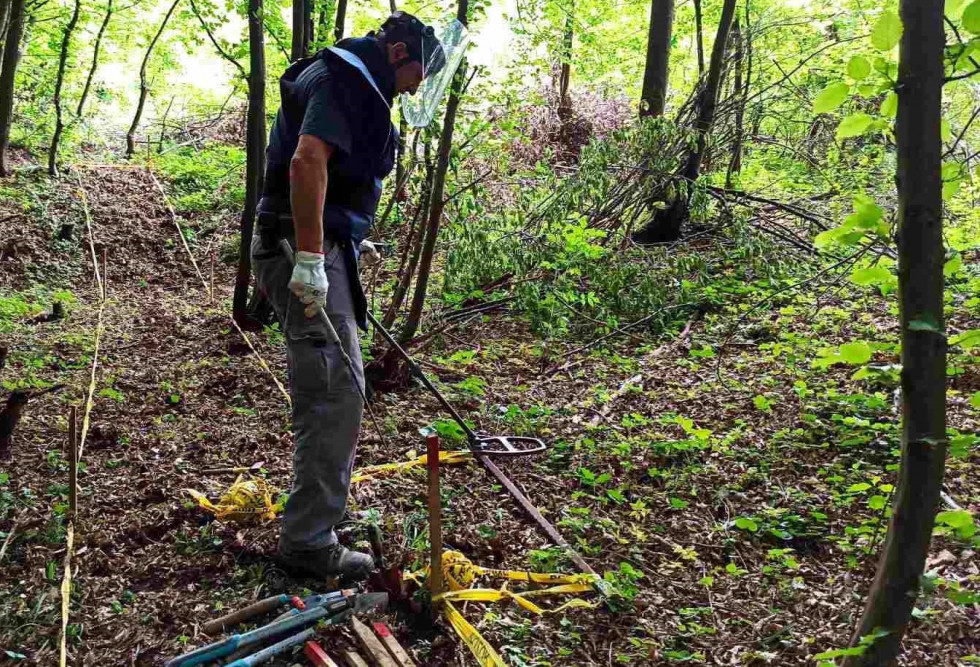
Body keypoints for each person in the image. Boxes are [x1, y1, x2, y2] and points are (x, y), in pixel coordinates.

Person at [251, 12, 444, 580]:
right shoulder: (345, 79)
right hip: (302, 247)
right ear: (399, 52)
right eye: (419, 74)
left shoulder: (357, 79)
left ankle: (315, 522)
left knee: (336, 386)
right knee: (335, 391)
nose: (419, 86)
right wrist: (310, 260)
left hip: (317, 247)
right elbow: (307, 160)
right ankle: (308, 542)